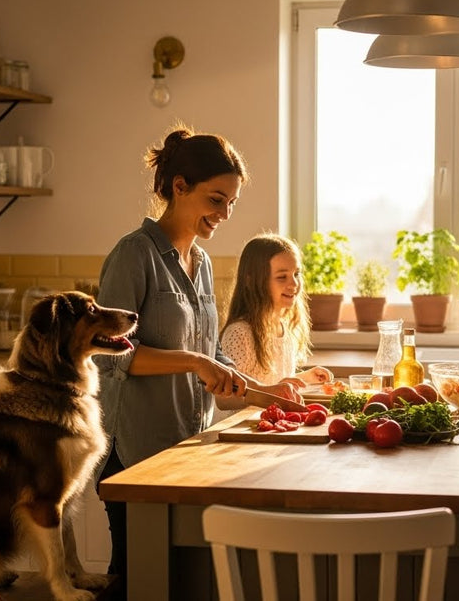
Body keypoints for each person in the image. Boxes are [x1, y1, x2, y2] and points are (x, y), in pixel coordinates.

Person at [94, 127, 299, 597]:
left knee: (183, 579)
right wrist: (193, 362)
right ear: (179, 187)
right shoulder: (134, 255)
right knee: (135, 580)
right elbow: (111, 355)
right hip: (135, 453)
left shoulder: (201, 262)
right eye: (216, 199)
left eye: (231, 203)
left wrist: (269, 391)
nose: (224, 214)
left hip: (187, 450)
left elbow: (214, 356)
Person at [221, 233, 334, 387]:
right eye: (282, 277)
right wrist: (275, 390)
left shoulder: (285, 327)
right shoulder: (239, 333)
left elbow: (272, 381)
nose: (294, 284)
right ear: (252, 281)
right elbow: (227, 399)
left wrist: (305, 378)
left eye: (296, 274)